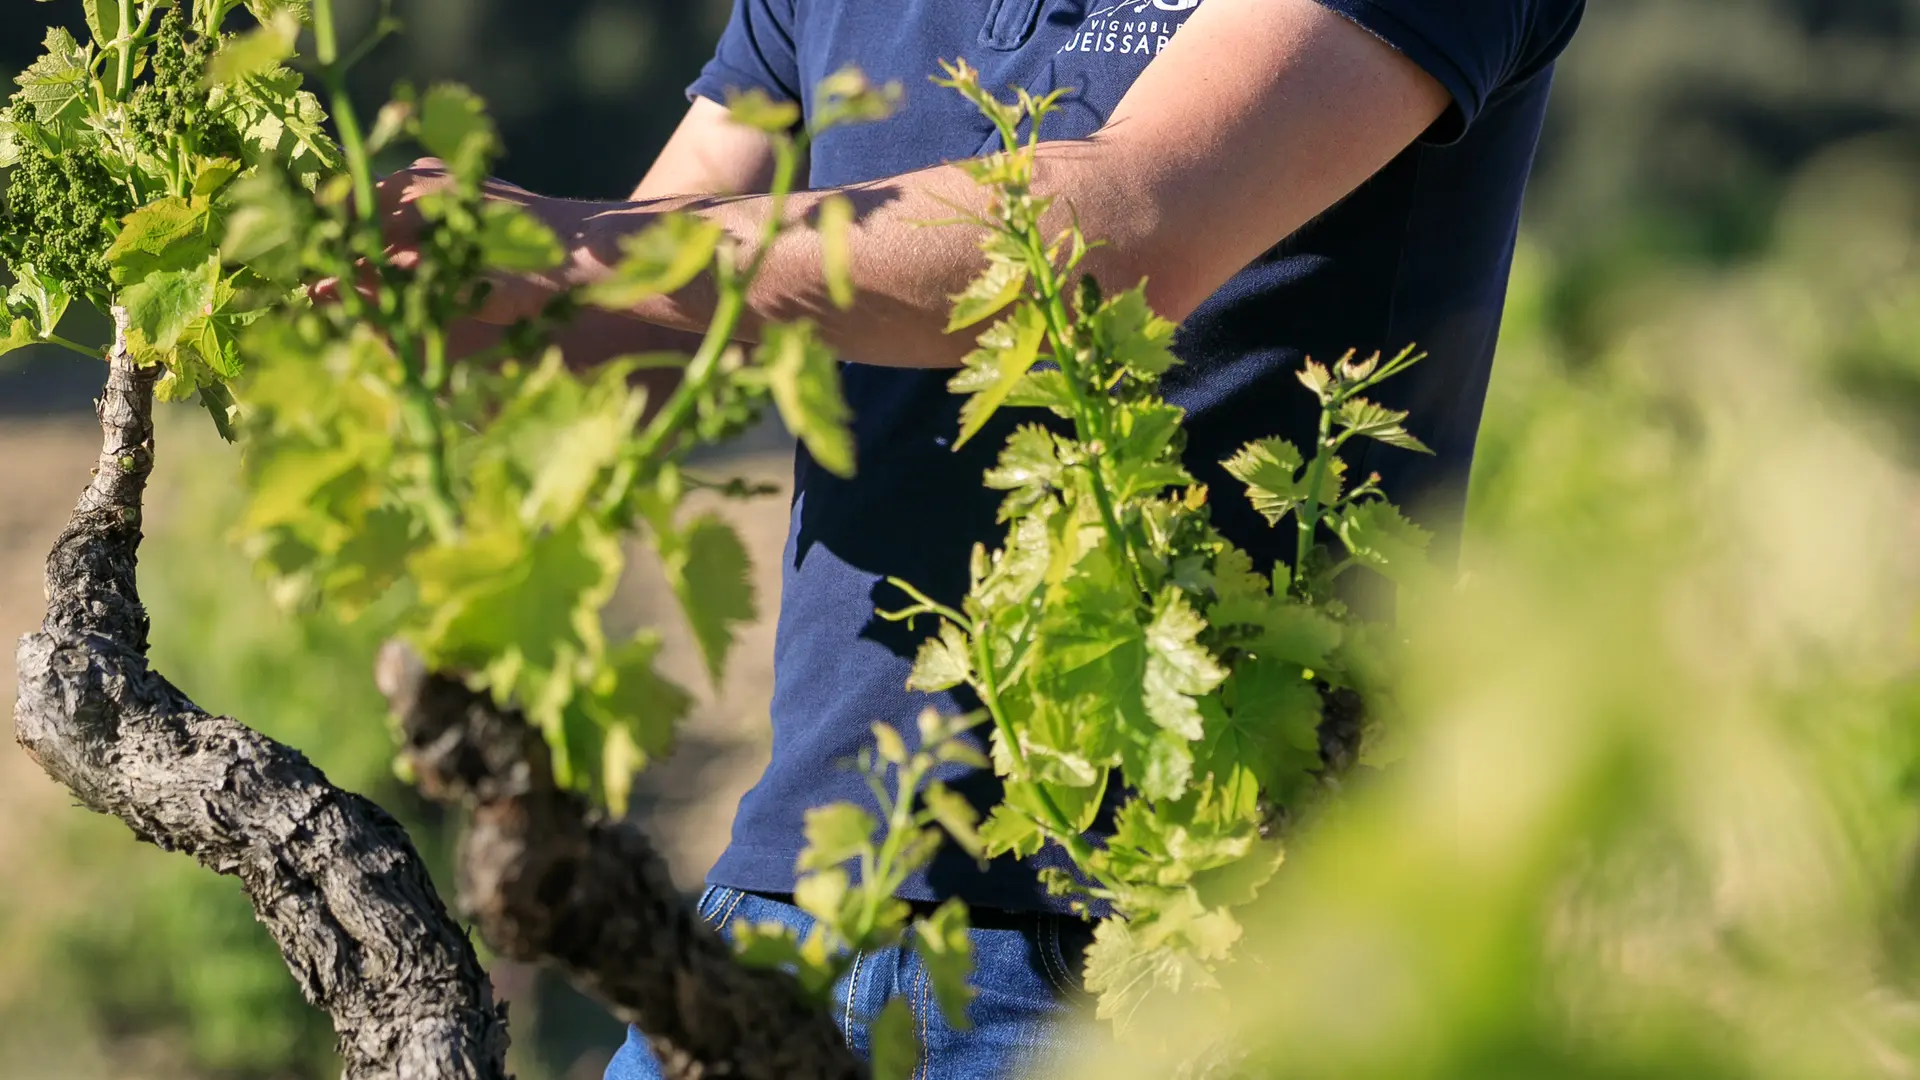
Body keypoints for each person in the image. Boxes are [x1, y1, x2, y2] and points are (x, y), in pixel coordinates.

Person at [371, 0, 1585, 1075]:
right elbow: (628, 328)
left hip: (1168, 950)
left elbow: (1123, 227)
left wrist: (585, 257)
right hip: (794, 901)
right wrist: (407, 282)